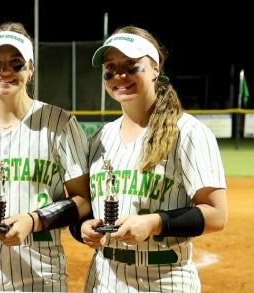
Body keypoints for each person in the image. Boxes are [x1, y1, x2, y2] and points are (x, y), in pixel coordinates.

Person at [0, 22, 92, 291]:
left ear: (31, 69)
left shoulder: (60, 123)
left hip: (42, 271)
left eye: (16, 63)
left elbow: (83, 200)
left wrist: (34, 220)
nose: (4, 71)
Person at [76, 25, 228, 292]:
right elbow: (87, 205)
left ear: (156, 69)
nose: (119, 75)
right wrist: (83, 227)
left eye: (131, 65)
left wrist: (155, 222)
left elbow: (217, 215)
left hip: (165, 279)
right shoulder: (100, 137)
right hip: (102, 279)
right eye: (110, 68)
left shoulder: (189, 132)